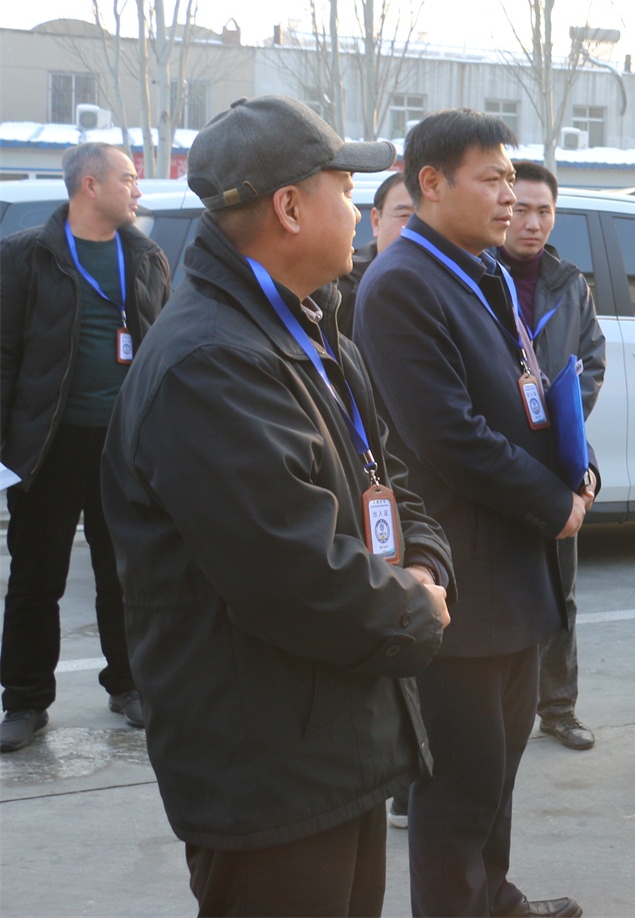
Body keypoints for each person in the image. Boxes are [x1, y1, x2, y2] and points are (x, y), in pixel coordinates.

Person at [100, 95, 452, 917]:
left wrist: (427, 561)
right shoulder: (209, 361)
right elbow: (290, 572)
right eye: (346, 188)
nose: (359, 210)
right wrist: (417, 609)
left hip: (333, 737)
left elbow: (390, 478)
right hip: (266, 768)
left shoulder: (309, 324)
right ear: (289, 207)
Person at [355, 109, 588, 918]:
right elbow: (447, 436)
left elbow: (527, 394)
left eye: (511, 177)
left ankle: (494, 897)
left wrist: (577, 462)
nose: (509, 196)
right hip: (463, 571)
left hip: (512, 570)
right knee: (458, 783)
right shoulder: (402, 284)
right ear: (431, 182)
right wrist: (554, 502)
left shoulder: (475, 269)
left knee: (497, 767)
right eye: (491, 178)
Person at [0, 142, 168, 753]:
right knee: (35, 576)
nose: (138, 190)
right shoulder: (26, 255)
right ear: (90, 185)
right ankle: (24, 701)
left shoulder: (146, 257)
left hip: (122, 447)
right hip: (46, 445)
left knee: (123, 572)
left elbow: (162, 355)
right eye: (128, 178)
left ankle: (130, 685)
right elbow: (4, 356)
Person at [498, 160, 607, 752]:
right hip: (496, 455)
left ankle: (559, 707)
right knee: (494, 588)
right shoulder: (477, 276)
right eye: (521, 209)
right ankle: (498, 707)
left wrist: (562, 412)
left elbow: (591, 358)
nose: (532, 222)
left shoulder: (570, 284)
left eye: (544, 211)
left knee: (559, 590)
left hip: (558, 457)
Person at [335, 170, 415, 339]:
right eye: (405, 215)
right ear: (376, 222)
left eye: (426, 219)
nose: (416, 228)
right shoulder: (337, 289)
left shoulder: (456, 285)